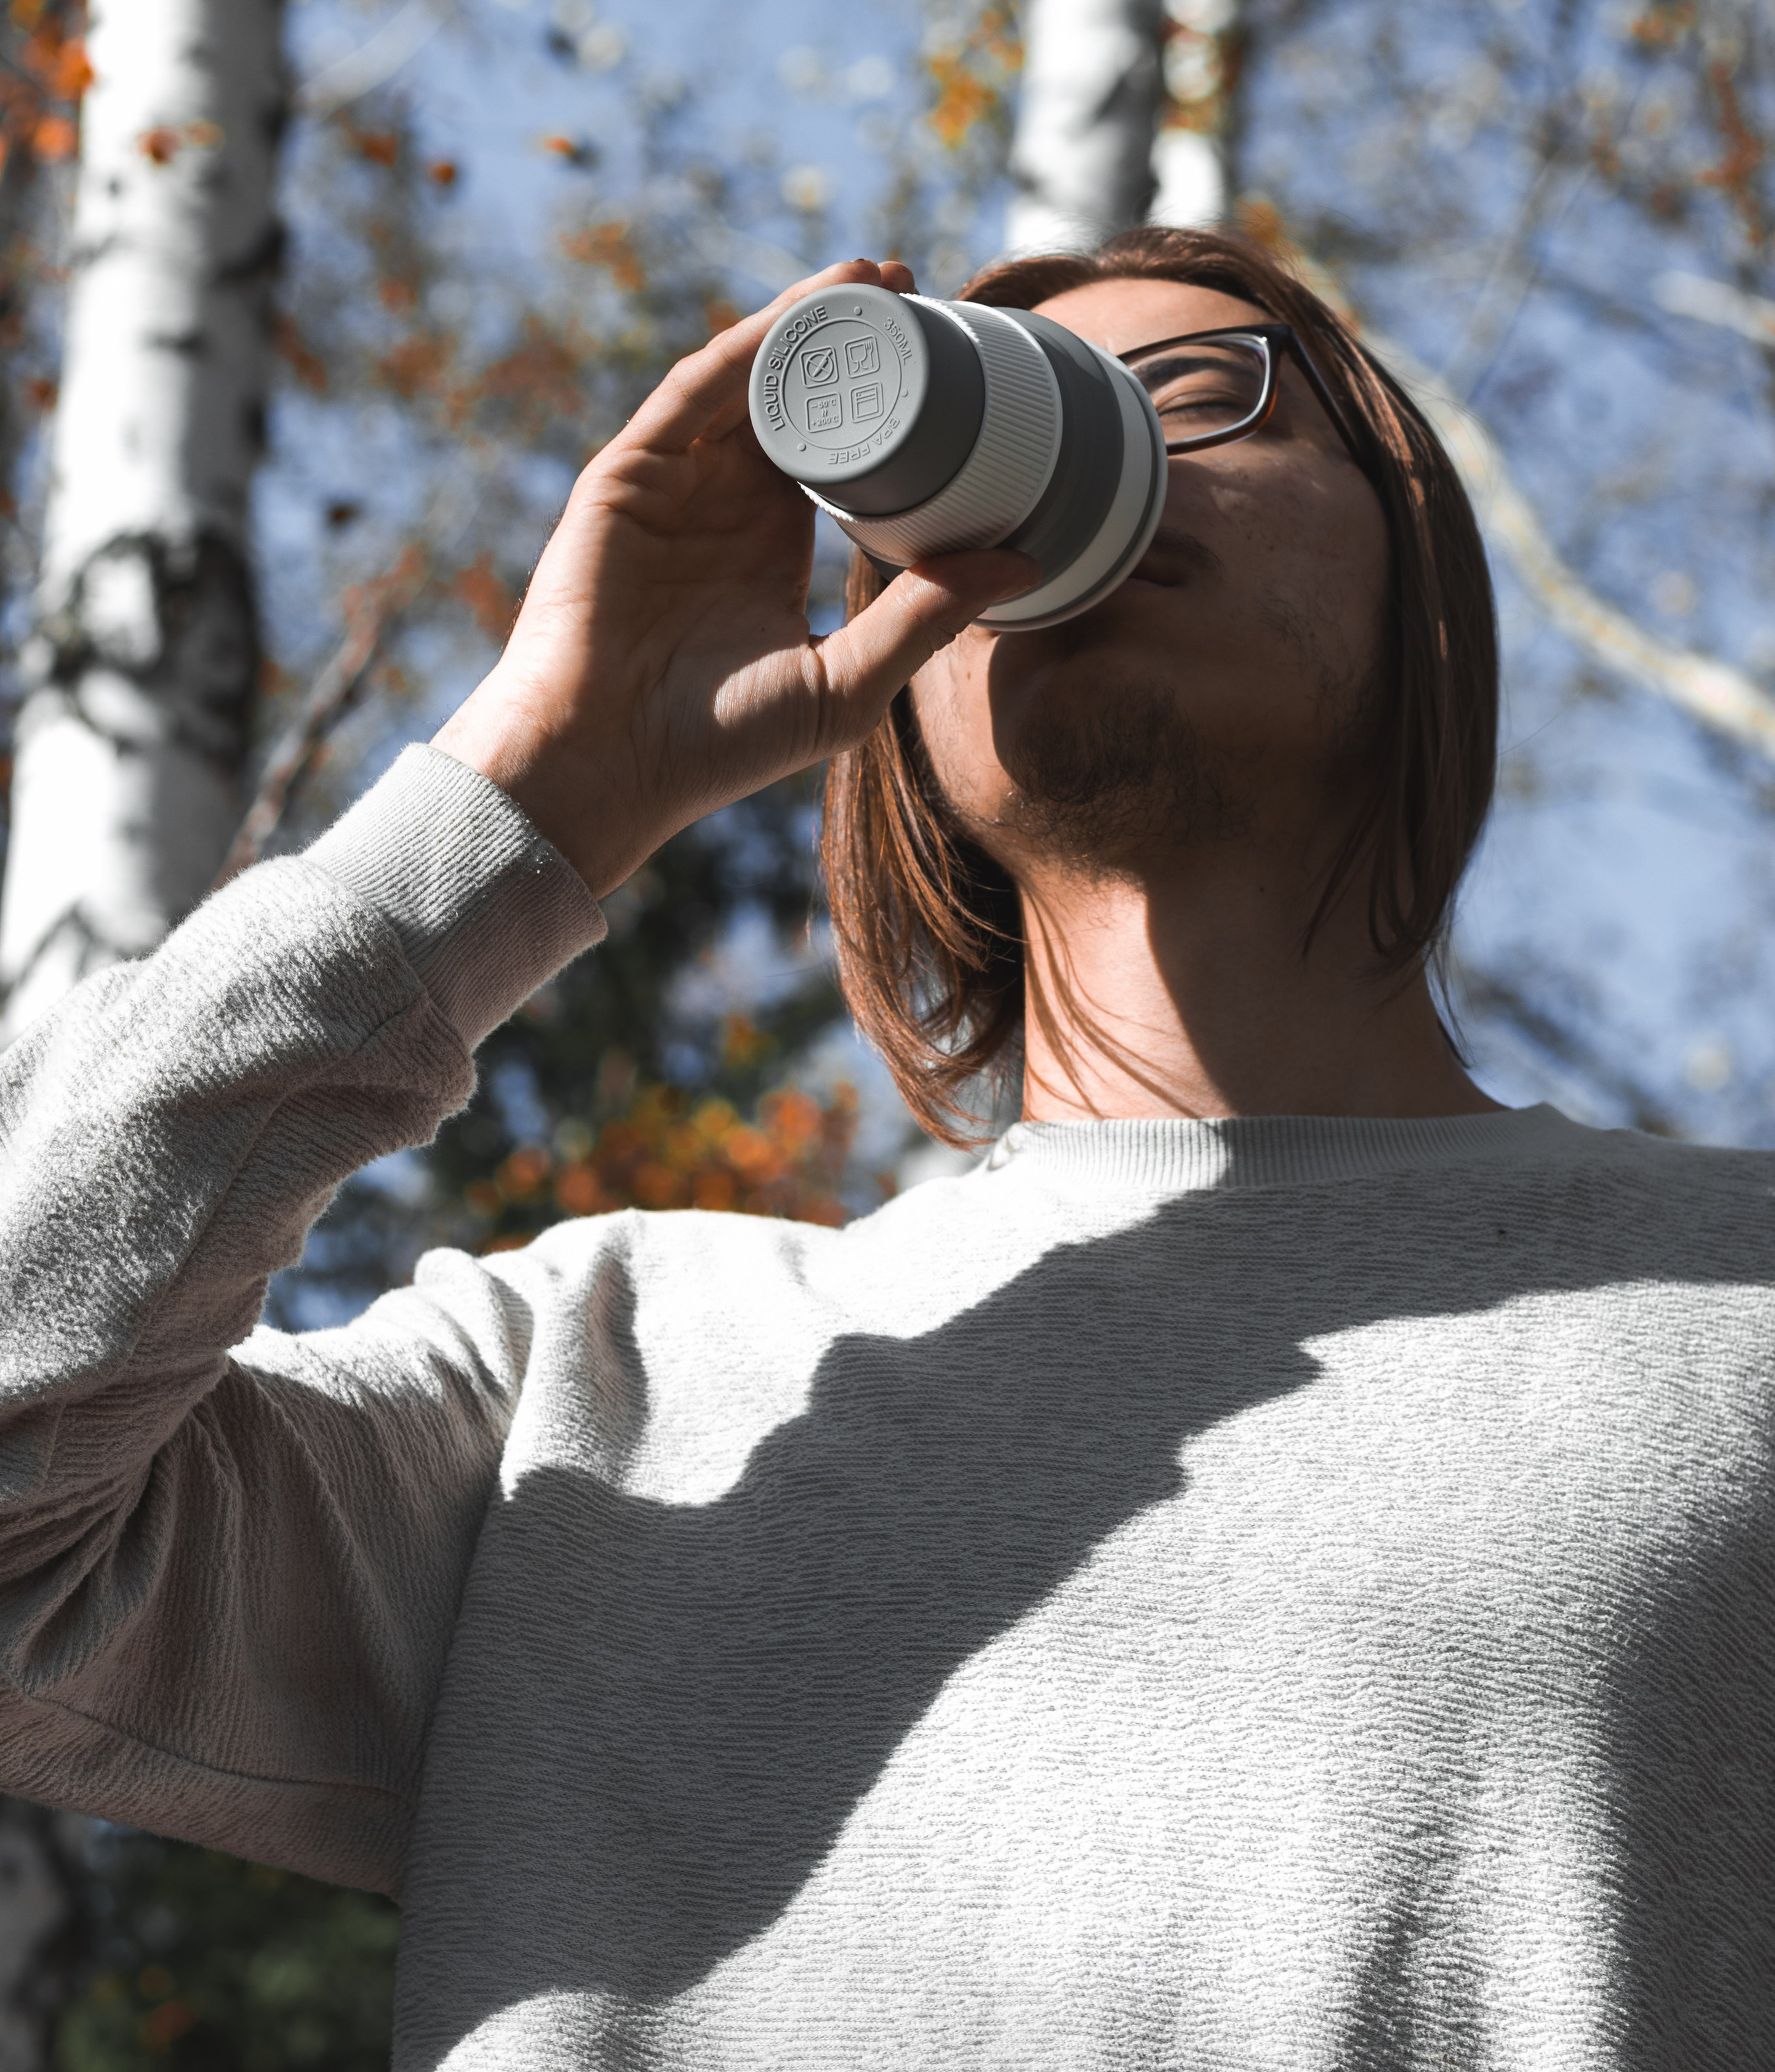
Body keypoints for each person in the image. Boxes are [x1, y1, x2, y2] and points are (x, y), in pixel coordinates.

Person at [2, 222, 1772, 2071]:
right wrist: (539, 784)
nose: (1108, 462)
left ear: (1415, 560)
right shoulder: (598, 1376)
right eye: (997, 449)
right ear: (901, 690)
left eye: (1197, 395)